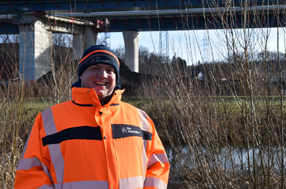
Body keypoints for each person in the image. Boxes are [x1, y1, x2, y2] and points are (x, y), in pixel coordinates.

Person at [15, 45, 170, 189]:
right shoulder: (48, 120)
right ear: (81, 75)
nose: (103, 75)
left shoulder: (141, 119)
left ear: (116, 77)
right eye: (95, 68)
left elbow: (158, 167)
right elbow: (31, 174)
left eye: (110, 70)